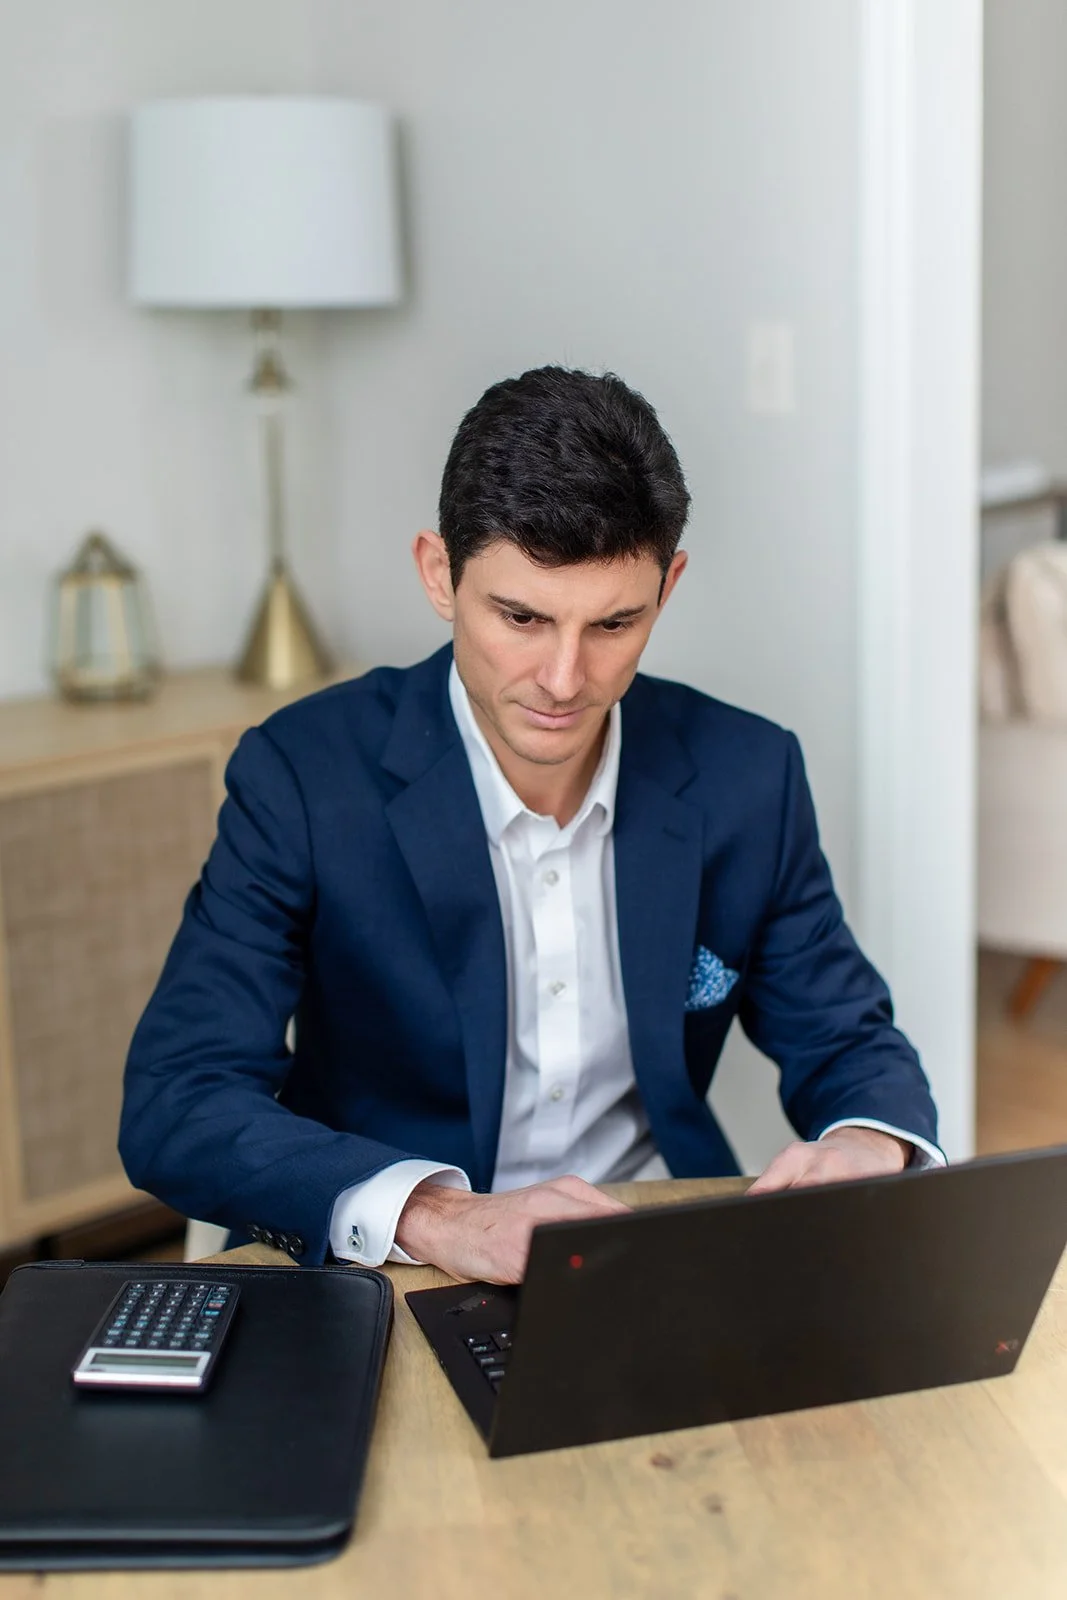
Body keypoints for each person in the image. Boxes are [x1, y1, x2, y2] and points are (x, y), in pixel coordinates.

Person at [120, 366, 942, 1285]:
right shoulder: (303, 776)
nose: (563, 679)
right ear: (439, 574)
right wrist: (436, 1215)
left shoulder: (748, 774)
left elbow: (843, 1035)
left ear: (667, 588)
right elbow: (176, 1097)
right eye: (520, 616)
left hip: (653, 1248)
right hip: (395, 1264)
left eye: (613, 624)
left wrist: (874, 1143)